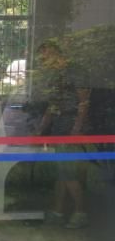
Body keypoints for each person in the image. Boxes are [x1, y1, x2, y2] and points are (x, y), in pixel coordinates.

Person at [36, 39, 91, 229]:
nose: (43, 61)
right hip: (60, 127)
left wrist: (76, 129)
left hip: (70, 127)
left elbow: (84, 103)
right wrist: (41, 129)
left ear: (55, 52)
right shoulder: (56, 76)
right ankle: (58, 212)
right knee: (61, 171)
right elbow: (53, 105)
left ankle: (81, 212)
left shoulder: (75, 71)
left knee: (67, 172)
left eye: (45, 56)